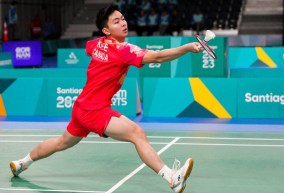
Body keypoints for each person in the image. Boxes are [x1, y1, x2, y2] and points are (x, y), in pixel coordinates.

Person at [9, 4, 202, 193]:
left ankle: (22, 163)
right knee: (137, 133)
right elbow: (158, 57)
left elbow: (89, 48)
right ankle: (171, 178)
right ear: (106, 29)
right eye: (116, 21)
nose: (123, 23)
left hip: (81, 107)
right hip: (95, 109)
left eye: (123, 19)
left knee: (62, 142)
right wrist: (186, 47)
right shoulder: (124, 50)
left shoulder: (96, 43)